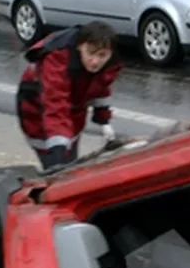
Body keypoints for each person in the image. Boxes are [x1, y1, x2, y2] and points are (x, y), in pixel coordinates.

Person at [16, 22, 124, 171]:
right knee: (56, 168)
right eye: (91, 53)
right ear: (80, 46)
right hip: (37, 113)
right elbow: (55, 104)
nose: (96, 61)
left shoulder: (109, 63)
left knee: (70, 164)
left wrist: (103, 119)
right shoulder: (57, 59)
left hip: (73, 114)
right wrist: (58, 150)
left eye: (102, 55)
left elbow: (99, 88)